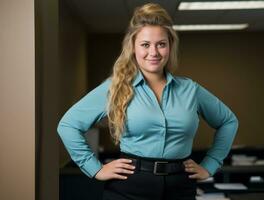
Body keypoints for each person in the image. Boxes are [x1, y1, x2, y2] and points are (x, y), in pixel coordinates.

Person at [57, 3, 239, 200]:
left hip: (180, 186)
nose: (154, 52)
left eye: (161, 44)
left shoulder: (190, 90)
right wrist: (95, 169)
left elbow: (228, 121)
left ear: (170, 46)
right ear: (133, 47)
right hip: (129, 186)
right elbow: (68, 125)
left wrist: (210, 164)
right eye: (145, 44)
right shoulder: (115, 87)